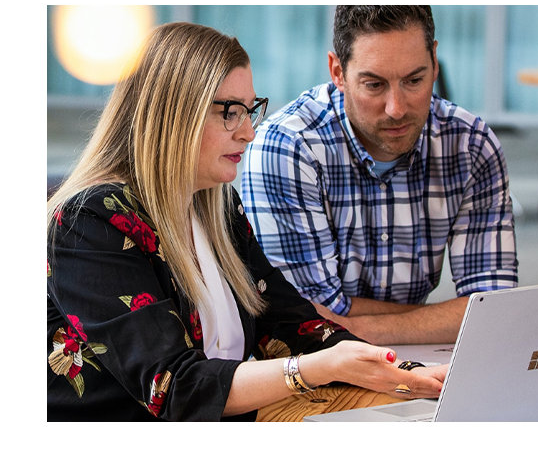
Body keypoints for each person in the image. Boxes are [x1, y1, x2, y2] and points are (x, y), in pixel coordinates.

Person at [46, 22, 447, 422]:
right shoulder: (90, 222)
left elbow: (291, 323)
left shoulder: (217, 206)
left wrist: (405, 373)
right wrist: (315, 370)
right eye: (231, 112)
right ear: (174, 114)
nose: (250, 133)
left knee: (429, 414)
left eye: (250, 110)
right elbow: (175, 390)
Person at [242, 6, 518, 345]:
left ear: (434, 60)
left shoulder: (471, 145)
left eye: (414, 81)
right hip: (309, 370)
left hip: (420, 359)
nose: (396, 108)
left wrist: (360, 326)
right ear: (337, 72)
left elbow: (495, 310)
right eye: (374, 85)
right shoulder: (288, 147)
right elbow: (306, 322)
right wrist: (452, 316)